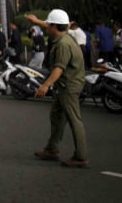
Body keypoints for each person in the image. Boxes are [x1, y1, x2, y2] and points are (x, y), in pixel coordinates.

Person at [26, 9, 88, 168]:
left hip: (68, 86)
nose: (46, 28)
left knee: (74, 120)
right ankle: (51, 149)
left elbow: (58, 69)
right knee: (56, 116)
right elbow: (51, 23)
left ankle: (81, 157)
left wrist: (45, 85)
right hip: (66, 85)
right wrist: (37, 21)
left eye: (49, 25)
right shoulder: (67, 35)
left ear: (55, 27)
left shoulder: (62, 45)